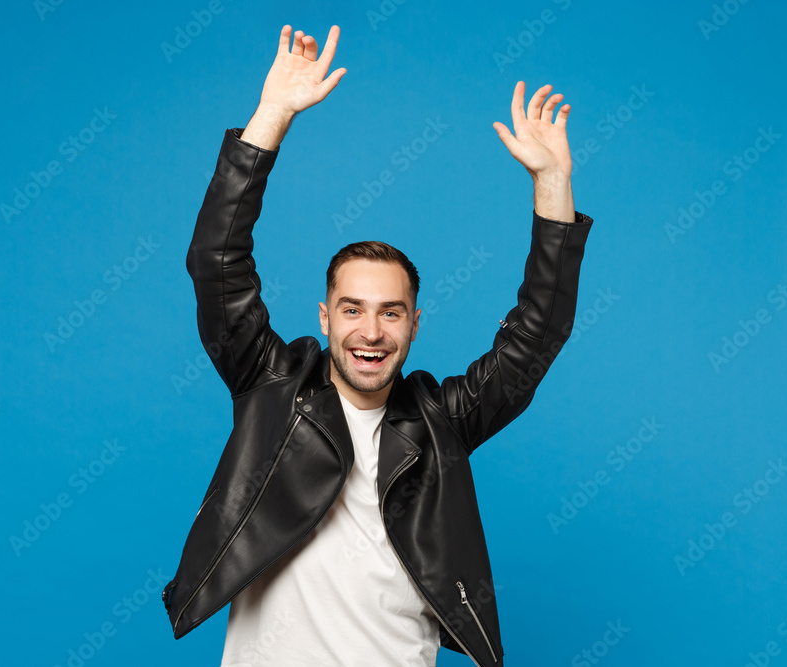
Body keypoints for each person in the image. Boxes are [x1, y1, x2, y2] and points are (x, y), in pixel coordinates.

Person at [162, 24, 594, 667]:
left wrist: (553, 184)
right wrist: (272, 115)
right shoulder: (271, 386)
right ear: (326, 318)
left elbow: (537, 334)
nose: (371, 331)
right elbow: (216, 262)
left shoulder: (442, 422)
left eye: (391, 312)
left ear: (414, 324)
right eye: (353, 310)